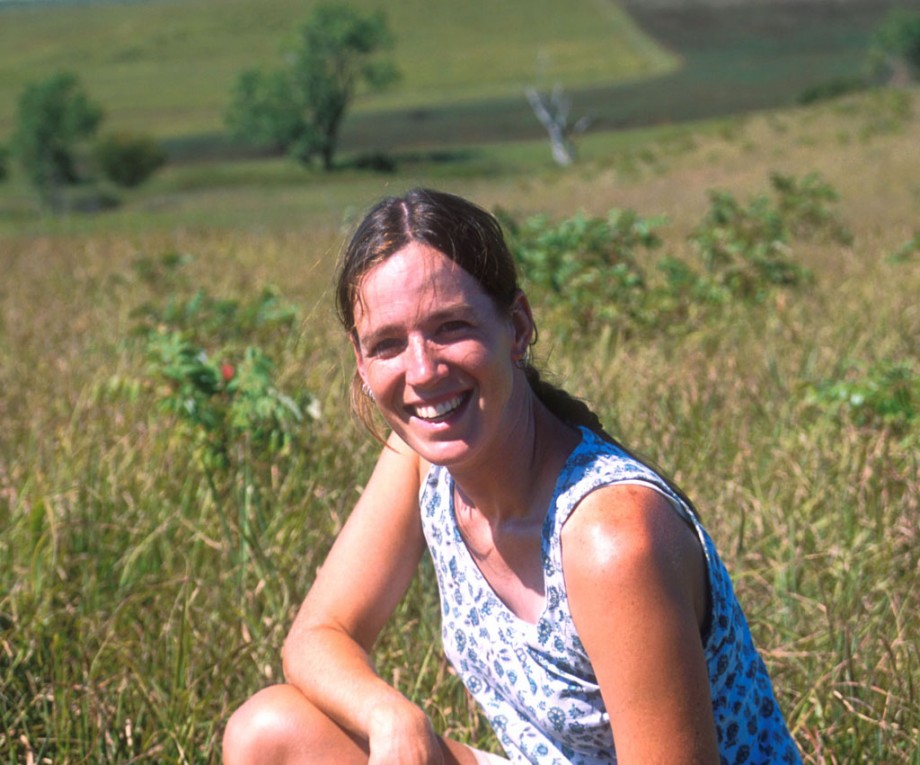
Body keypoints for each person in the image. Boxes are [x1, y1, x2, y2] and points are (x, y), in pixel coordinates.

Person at [222, 188, 801, 765]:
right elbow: (318, 635)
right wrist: (391, 717)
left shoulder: (612, 539)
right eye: (388, 344)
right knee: (269, 733)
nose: (421, 371)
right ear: (361, 364)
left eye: (450, 327)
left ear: (517, 327)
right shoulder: (423, 460)